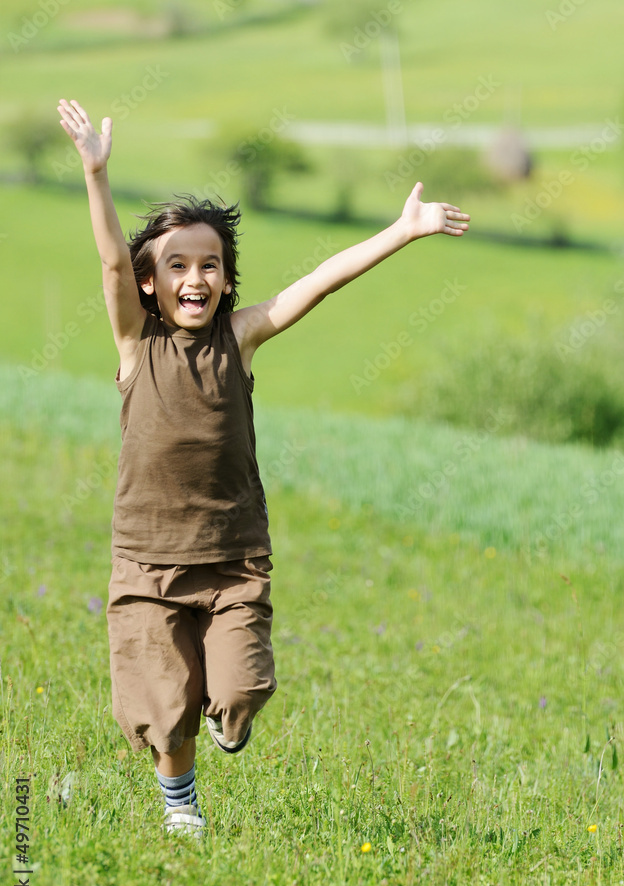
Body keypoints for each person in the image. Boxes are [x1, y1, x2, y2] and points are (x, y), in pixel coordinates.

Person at [57, 98, 470, 837]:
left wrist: (403, 232)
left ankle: (232, 718)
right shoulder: (134, 346)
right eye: (176, 266)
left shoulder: (239, 340)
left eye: (209, 265)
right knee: (162, 702)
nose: (195, 278)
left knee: (242, 687)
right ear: (151, 285)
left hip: (232, 559)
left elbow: (319, 282)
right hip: (147, 561)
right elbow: (112, 257)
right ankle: (181, 805)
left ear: (226, 280)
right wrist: (97, 173)